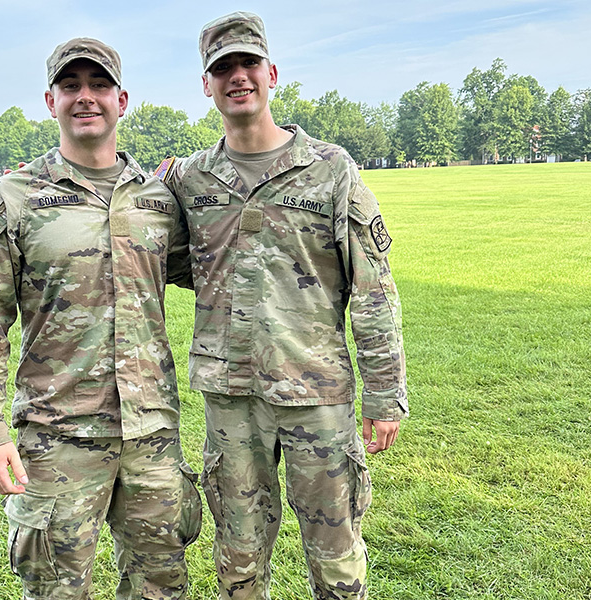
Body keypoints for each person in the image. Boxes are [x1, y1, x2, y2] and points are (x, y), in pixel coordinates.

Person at [156, 12, 408, 600]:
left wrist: (384, 393)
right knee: (238, 557)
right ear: (206, 85)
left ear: (271, 73)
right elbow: (162, 255)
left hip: (316, 394)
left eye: (247, 65)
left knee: (337, 555)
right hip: (231, 398)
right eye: (223, 69)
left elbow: (373, 287)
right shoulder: (192, 180)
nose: (237, 78)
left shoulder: (330, 170)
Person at [0, 37, 200, 600]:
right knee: (58, 590)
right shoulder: (12, 200)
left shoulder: (158, 198)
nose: (86, 97)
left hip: (152, 435)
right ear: (50, 99)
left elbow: (217, 271)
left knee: (161, 586)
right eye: (71, 86)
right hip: (58, 438)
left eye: (99, 85)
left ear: (122, 98)